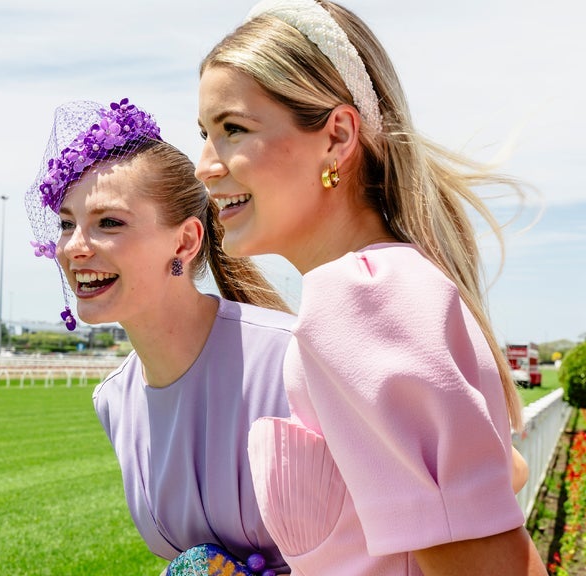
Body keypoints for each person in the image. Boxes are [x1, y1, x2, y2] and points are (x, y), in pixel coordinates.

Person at [195, 1, 547, 574]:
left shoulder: (357, 301)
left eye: (233, 129)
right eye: (205, 133)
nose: (205, 165)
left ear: (336, 136)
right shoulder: (392, 286)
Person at [24, 98, 294, 574]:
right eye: (67, 224)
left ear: (186, 241)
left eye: (109, 223)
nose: (75, 248)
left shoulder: (294, 360)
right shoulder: (113, 401)